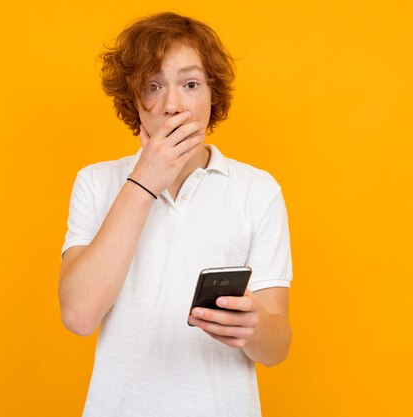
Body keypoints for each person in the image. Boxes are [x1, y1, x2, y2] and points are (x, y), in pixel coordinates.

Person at [59, 11, 293, 417]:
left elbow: (277, 349)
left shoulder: (258, 191)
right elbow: (79, 316)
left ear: (212, 96)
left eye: (190, 84)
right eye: (153, 85)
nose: (172, 105)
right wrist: (144, 180)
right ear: (134, 99)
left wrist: (257, 327)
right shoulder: (96, 183)